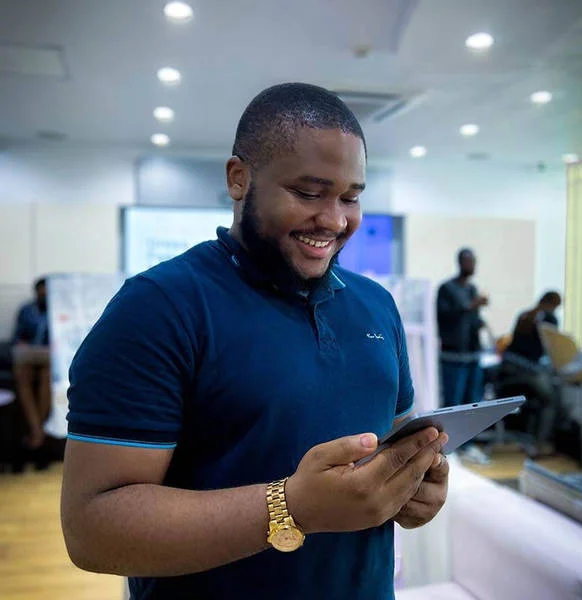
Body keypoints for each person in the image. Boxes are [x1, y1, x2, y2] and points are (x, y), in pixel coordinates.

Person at [61, 83, 449, 600]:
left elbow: (392, 449)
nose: (335, 220)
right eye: (308, 193)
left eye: (351, 197)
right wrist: (291, 507)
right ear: (239, 178)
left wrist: (413, 487)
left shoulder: (376, 305)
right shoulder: (158, 307)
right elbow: (91, 529)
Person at [498, 291, 562, 456]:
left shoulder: (524, 315)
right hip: (525, 371)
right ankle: (539, 445)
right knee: (550, 400)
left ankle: (528, 439)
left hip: (507, 372)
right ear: (554, 305)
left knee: (536, 397)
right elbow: (550, 349)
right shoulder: (549, 319)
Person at [436, 249, 488, 408]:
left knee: (474, 404)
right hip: (453, 357)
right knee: (453, 404)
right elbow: (444, 315)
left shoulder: (472, 289)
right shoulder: (447, 288)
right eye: (468, 261)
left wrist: (479, 322)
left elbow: (472, 318)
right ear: (460, 263)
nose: (472, 265)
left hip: (472, 355)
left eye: (473, 262)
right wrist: (471, 305)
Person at [12, 277, 51, 452]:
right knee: (22, 374)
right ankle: (39, 429)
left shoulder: (58, 310)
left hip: (49, 357)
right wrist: (22, 343)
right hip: (29, 355)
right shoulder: (26, 310)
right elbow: (17, 336)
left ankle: (36, 430)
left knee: (47, 376)